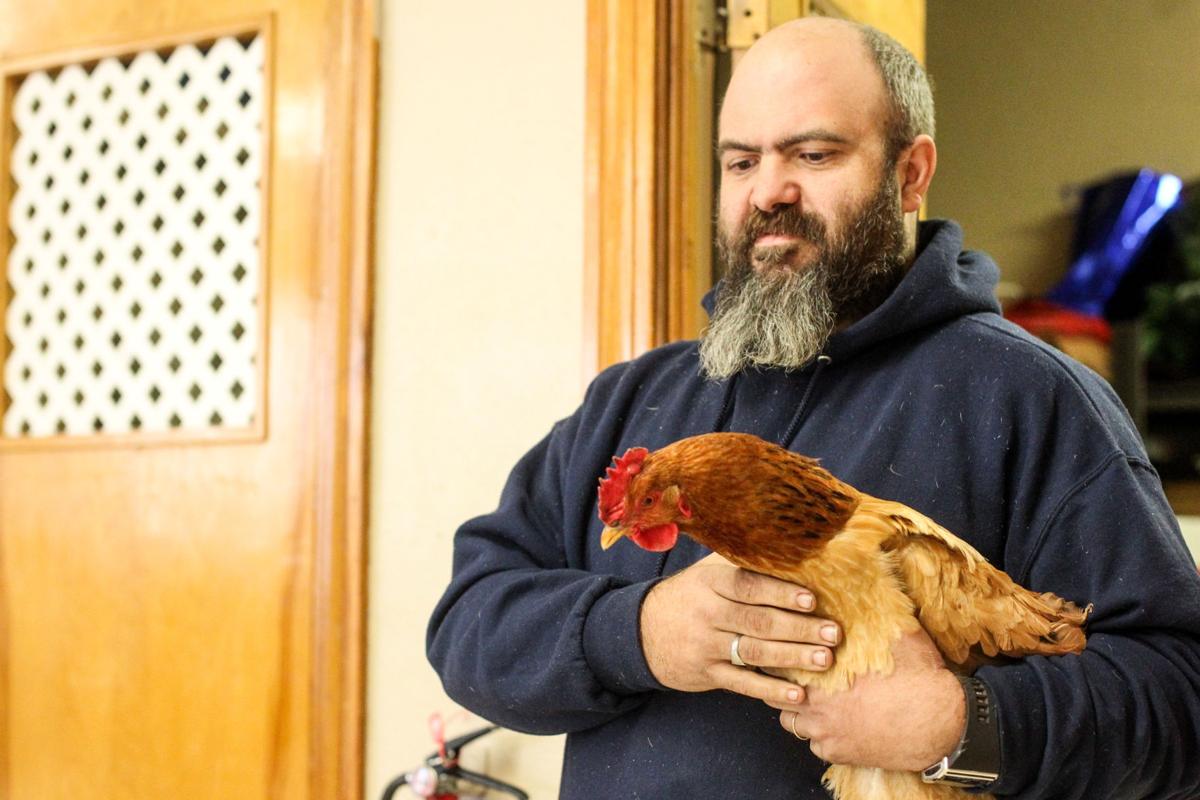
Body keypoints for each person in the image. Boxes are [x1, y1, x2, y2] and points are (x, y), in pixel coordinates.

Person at [427, 17, 1200, 799]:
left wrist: (959, 722)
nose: (769, 191)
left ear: (911, 174)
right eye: (741, 161)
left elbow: (1182, 701)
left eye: (813, 153)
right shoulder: (631, 400)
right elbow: (467, 627)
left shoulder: (1031, 399)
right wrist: (640, 632)